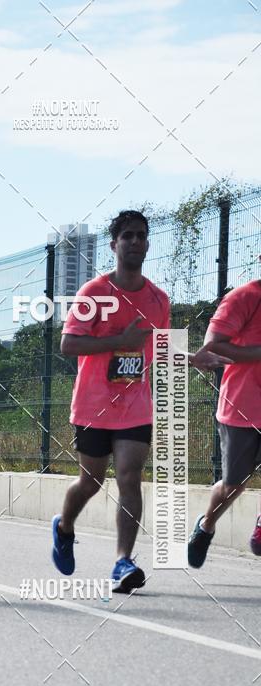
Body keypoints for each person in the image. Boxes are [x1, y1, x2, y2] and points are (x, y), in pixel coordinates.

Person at [54, 210, 230, 592]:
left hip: (134, 406)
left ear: (147, 244)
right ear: (114, 245)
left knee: (130, 477)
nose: (135, 241)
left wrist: (193, 358)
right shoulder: (94, 293)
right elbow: (68, 344)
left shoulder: (157, 299)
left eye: (141, 236)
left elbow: (158, 348)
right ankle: (64, 527)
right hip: (93, 405)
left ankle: (123, 561)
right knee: (90, 482)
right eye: (128, 236)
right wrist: (118, 341)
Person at [188, 278, 261, 565]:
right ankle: (206, 525)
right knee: (234, 485)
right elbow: (212, 345)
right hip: (242, 406)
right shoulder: (244, 297)